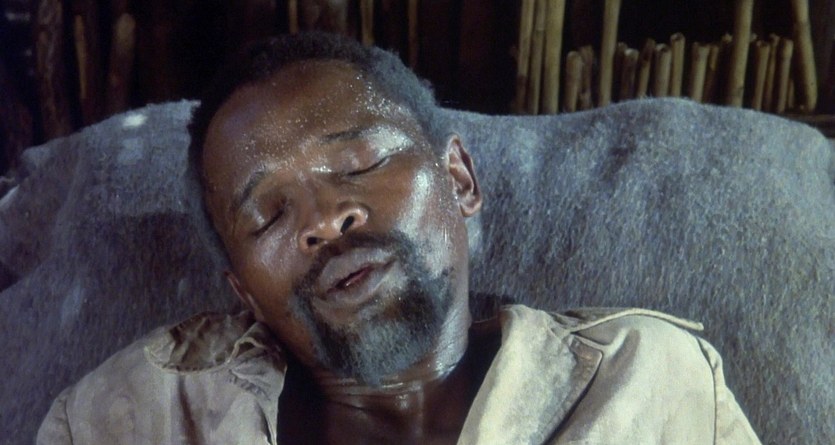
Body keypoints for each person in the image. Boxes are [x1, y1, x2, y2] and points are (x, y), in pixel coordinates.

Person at [37, 32, 761, 444]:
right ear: (244, 292)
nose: (324, 219)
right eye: (269, 215)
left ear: (460, 179)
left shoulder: (651, 382)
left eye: (359, 162)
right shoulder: (125, 419)